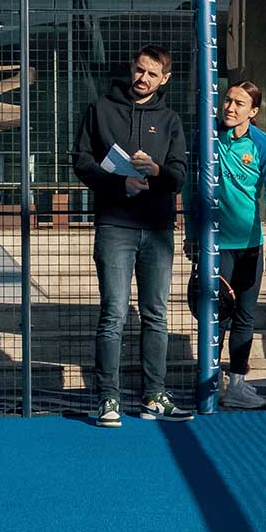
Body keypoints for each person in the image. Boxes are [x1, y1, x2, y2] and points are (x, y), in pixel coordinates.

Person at [73, 45, 191, 426]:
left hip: (157, 228)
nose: (143, 78)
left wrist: (157, 171)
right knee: (114, 314)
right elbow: (81, 161)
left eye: (152, 74)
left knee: (156, 314)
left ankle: (154, 396)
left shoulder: (170, 119)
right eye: (140, 70)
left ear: (164, 79)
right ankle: (109, 398)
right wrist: (117, 181)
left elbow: (179, 173)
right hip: (115, 226)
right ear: (132, 68)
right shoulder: (101, 108)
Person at [185, 79, 266, 410]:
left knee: (245, 316)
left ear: (253, 111)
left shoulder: (265, 146)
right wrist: (190, 233)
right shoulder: (207, 138)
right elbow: (190, 188)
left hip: (251, 246)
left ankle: (237, 384)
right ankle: (209, 382)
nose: (230, 108)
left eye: (239, 104)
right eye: (228, 101)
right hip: (215, 246)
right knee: (217, 318)